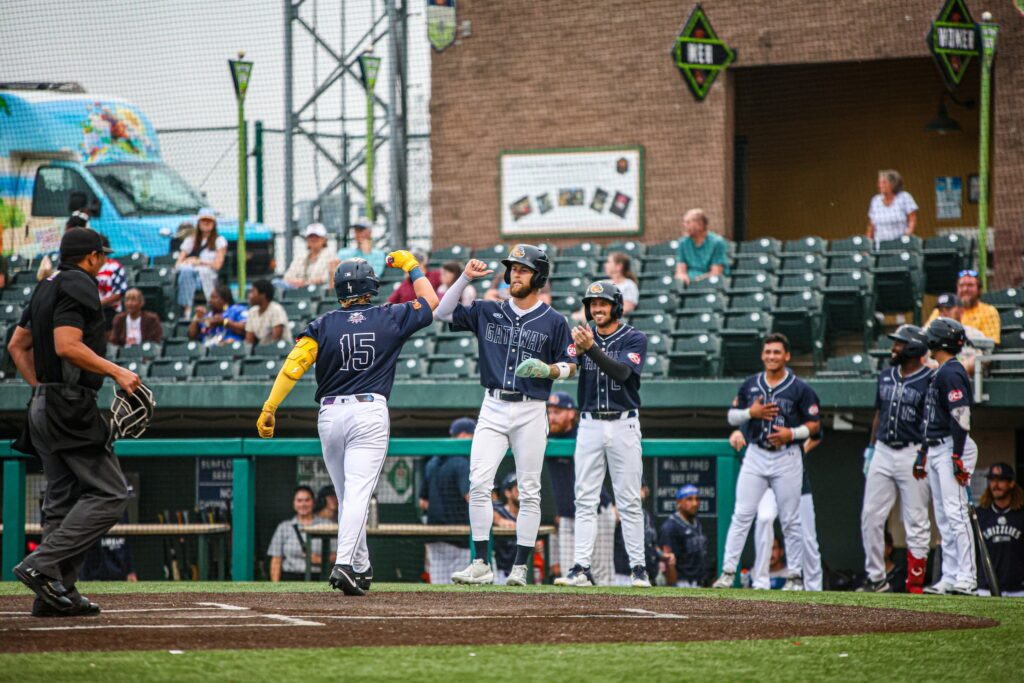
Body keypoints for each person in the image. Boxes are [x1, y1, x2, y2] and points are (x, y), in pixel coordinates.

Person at [256, 251, 439, 595]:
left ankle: (361, 566)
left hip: (329, 415)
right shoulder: (390, 315)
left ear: (338, 289)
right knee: (357, 494)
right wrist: (412, 266)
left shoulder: (323, 324)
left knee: (346, 495)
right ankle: (343, 564)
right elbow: (431, 301)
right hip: (368, 412)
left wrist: (270, 407)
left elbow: (294, 365)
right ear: (371, 285)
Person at [7, 227, 142, 617]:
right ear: (91, 258)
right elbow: (67, 344)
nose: (103, 262)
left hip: (44, 404)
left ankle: (54, 593)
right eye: (101, 255)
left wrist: (42, 387)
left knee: (62, 499)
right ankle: (41, 565)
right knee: (111, 493)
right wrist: (117, 372)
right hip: (69, 407)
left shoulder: (45, 286)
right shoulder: (80, 284)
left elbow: (17, 346)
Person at [436, 246, 578, 587]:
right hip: (493, 405)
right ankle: (481, 564)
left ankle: (519, 568)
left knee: (529, 490)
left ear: (539, 278)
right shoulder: (488, 309)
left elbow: (572, 365)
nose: (515, 273)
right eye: (513, 268)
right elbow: (442, 313)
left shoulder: (555, 321)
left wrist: (550, 370)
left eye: (523, 269)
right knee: (479, 483)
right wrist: (465, 278)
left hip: (531, 409)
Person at [555, 280, 649, 588]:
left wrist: (589, 349)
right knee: (585, 497)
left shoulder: (634, 337)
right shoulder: (583, 337)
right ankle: (580, 567)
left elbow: (622, 373)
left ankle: (638, 569)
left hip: (624, 422)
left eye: (603, 304)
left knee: (629, 498)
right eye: (592, 304)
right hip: (590, 422)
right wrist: (551, 370)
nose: (597, 309)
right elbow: (569, 364)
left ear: (616, 307)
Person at [713, 333, 821, 591]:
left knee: (791, 520)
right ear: (762, 355)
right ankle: (728, 572)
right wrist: (752, 413)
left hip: (788, 454)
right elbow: (731, 417)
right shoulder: (751, 384)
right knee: (742, 515)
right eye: (768, 352)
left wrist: (792, 434)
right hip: (756, 453)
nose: (772, 356)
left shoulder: (800, 388)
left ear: (787, 356)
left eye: (777, 352)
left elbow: (815, 425)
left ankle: (795, 576)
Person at [859, 325, 932, 593]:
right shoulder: (886, 375)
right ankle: (876, 578)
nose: (894, 348)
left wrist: (925, 453)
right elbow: (879, 412)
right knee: (870, 515)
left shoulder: (929, 379)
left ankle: (915, 584)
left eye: (899, 343)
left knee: (915, 519)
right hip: (883, 450)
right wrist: (871, 448)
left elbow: (930, 422)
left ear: (913, 347)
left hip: (913, 451)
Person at [918, 317, 978, 596]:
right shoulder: (941, 371)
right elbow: (933, 418)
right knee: (943, 515)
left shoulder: (951, 372)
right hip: (938, 446)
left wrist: (956, 454)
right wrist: (923, 452)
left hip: (954, 445)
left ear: (938, 341)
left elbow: (961, 415)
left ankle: (967, 576)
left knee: (956, 513)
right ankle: (950, 576)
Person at [729, 429, 824, 591]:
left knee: (807, 537)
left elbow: (816, 434)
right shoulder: (760, 409)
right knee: (765, 519)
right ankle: (760, 583)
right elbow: (743, 427)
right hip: (768, 480)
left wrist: (800, 453)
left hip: (796, 480)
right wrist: (737, 434)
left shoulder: (794, 408)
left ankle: (814, 589)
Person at [419, 417, 474, 584]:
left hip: (434, 534)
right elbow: (470, 498)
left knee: (439, 587)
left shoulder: (433, 462)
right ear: (464, 435)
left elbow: (423, 502)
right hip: (459, 535)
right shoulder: (462, 461)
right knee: (460, 590)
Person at [976, 463, 1024, 597]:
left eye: (1001, 479)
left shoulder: (1021, 514)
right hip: (985, 588)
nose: (995, 484)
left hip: (1018, 589)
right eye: (992, 479)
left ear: (1012, 483)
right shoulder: (980, 514)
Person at [545, 391, 579, 579]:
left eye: (557, 412)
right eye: (550, 412)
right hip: (566, 515)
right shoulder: (545, 435)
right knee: (569, 574)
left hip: (596, 512)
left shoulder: (584, 434)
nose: (552, 417)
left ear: (571, 413)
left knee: (600, 574)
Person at [266, 485, 330, 581]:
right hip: (290, 577)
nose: (303, 504)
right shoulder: (284, 527)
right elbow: (276, 559)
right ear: (294, 504)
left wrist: (321, 559)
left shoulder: (327, 525)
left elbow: (339, 555)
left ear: (314, 502)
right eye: (299, 501)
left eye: (307, 500)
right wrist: (275, 587)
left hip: (318, 578)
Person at [175, 208, 227, 317]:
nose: (206, 223)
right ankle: (187, 309)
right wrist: (188, 261)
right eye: (203, 220)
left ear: (214, 223)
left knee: (192, 272)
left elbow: (217, 265)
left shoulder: (219, 241)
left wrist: (199, 262)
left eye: (209, 220)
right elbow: (178, 264)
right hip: (190, 276)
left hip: (209, 277)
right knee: (186, 270)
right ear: (198, 223)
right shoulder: (190, 240)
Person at [926, 272, 1001, 345]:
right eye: (961, 285)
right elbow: (927, 332)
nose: (965, 289)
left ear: (979, 289)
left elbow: (990, 343)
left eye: (970, 285)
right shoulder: (941, 309)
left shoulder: (988, 311)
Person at [925, 293, 988, 375]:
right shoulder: (930, 333)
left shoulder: (974, 333)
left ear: (961, 311)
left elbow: (985, 357)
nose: (943, 313)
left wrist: (964, 366)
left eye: (948, 308)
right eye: (940, 310)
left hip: (968, 380)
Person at [658, 485, 708, 587]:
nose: (695, 503)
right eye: (689, 499)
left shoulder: (697, 522)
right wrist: (673, 586)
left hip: (699, 582)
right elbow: (668, 561)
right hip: (682, 583)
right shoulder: (670, 527)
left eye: (697, 499)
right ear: (679, 502)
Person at [613, 482, 660, 586]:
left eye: (642, 487)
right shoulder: (618, 509)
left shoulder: (647, 516)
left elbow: (652, 544)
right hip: (622, 575)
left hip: (647, 575)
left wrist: (661, 555)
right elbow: (613, 516)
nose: (641, 491)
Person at [673, 208, 729, 287]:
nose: (684, 225)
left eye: (688, 222)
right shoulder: (683, 243)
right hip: (687, 283)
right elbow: (680, 270)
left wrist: (697, 281)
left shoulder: (717, 242)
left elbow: (716, 272)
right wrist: (682, 277)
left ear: (700, 225)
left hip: (709, 284)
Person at [866, 169, 919, 248]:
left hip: (900, 245)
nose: (880, 185)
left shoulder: (904, 197)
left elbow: (912, 220)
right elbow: (871, 226)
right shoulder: (875, 200)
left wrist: (906, 238)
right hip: (880, 247)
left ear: (893, 184)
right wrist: (867, 245)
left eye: (884, 182)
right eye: (879, 183)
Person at [274, 223, 335, 290]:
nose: (313, 239)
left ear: (324, 239)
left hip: (320, 292)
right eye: (311, 236)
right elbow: (287, 277)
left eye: (317, 236)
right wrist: (296, 282)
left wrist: (305, 282)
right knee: (275, 282)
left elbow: (326, 278)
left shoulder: (331, 256)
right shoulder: (300, 256)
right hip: (298, 291)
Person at [492, 472, 521, 584]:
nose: (522, 493)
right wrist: (498, 520)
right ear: (508, 493)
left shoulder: (530, 515)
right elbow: (488, 512)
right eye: (518, 490)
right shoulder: (499, 511)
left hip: (523, 571)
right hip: (500, 573)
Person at [95, 235, 128, 331]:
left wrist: (99, 304)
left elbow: (119, 293)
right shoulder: (89, 268)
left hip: (111, 311)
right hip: (93, 311)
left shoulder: (114, 267)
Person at [244, 279, 289, 346]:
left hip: (283, 351)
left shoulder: (276, 309)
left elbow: (276, 340)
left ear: (263, 295)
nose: (250, 295)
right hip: (262, 350)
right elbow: (249, 341)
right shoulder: (252, 311)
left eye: (253, 292)